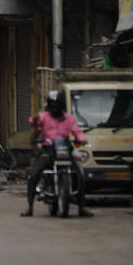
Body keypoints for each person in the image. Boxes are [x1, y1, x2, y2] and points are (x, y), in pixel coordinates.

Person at [22, 90, 92, 218]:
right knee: (34, 175)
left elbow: (77, 131)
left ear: (62, 105)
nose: (55, 107)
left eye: (57, 104)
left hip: (66, 148)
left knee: (80, 174)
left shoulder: (69, 119)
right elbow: (33, 122)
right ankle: (30, 207)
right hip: (48, 150)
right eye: (52, 104)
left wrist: (82, 139)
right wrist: (34, 120)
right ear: (49, 105)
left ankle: (81, 207)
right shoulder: (44, 116)